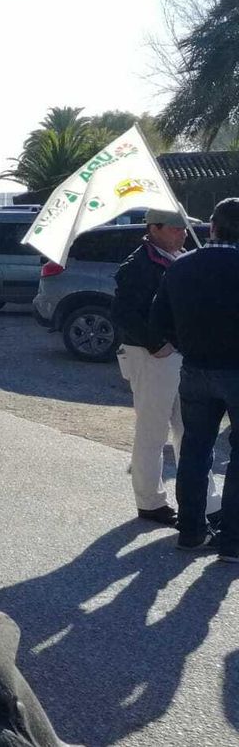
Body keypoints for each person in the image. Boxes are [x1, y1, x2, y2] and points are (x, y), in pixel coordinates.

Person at [111, 209, 220, 527]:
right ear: (154, 228)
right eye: (175, 228)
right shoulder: (138, 265)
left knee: (191, 431)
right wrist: (155, 343)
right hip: (152, 356)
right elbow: (123, 312)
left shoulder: (182, 257)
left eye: (184, 228)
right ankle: (150, 502)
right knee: (153, 430)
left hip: (182, 356)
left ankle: (207, 503)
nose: (182, 233)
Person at [151, 197, 239, 560]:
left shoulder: (180, 267)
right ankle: (232, 542)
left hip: (195, 370)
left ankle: (190, 531)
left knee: (194, 450)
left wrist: (183, 340)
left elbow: (159, 320)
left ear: (212, 227)